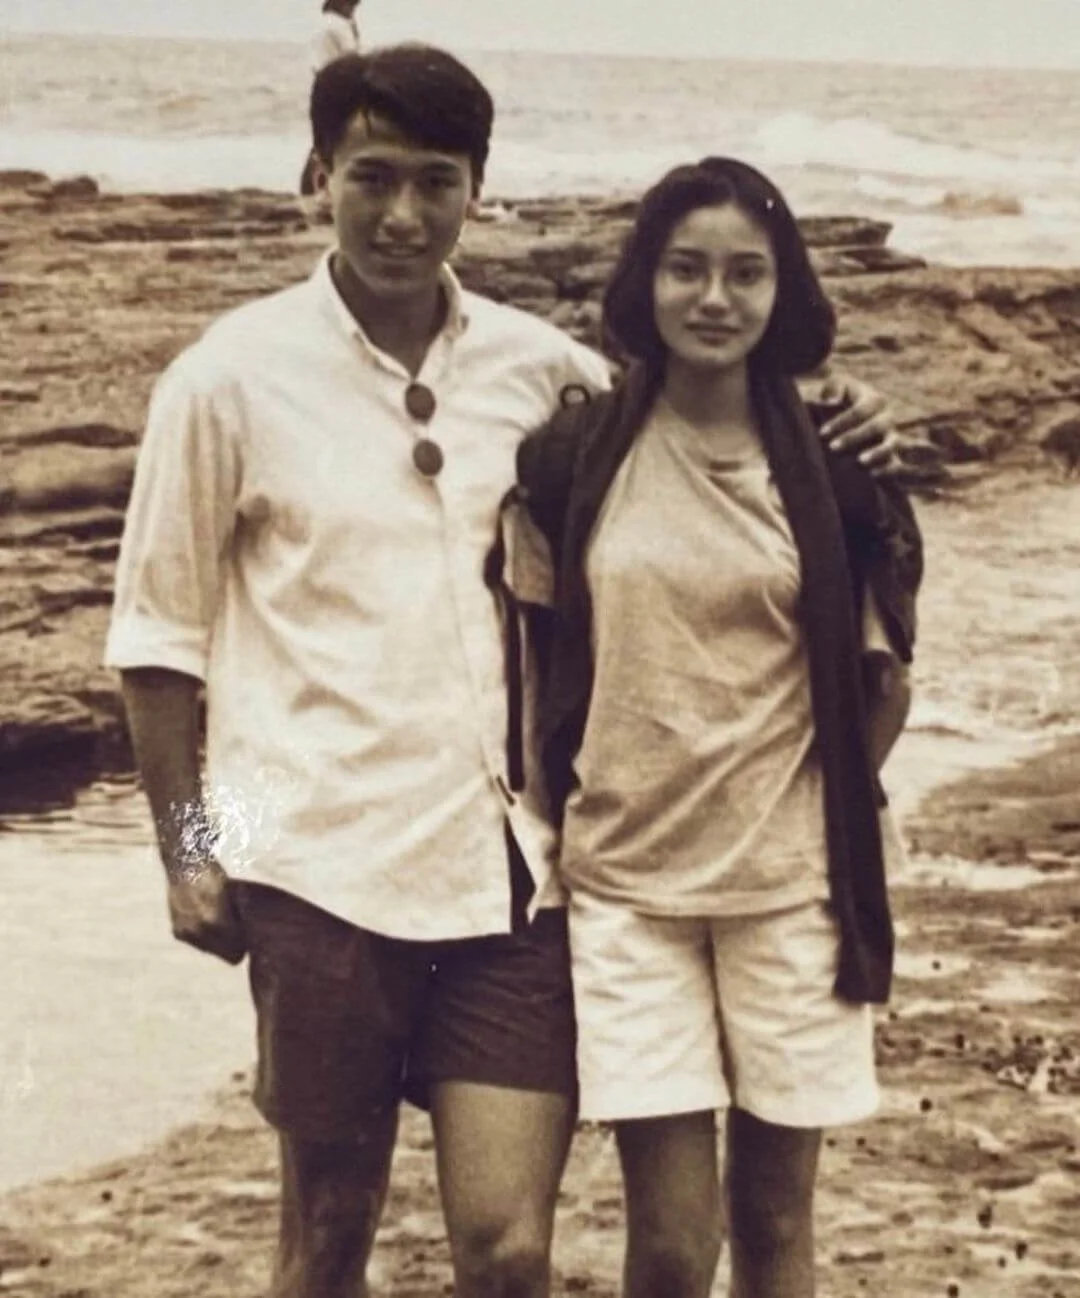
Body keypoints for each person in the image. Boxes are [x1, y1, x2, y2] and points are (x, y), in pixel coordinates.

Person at [105, 44, 912, 1298]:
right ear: (317, 177)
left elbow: (704, 421)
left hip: (508, 879)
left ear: (477, 189)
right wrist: (191, 852)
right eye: (372, 176)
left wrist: (835, 412)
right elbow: (160, 642)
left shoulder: (546, 373)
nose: (403, 213)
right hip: (314, 867)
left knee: (507, 1247)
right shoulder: (225, 378)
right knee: (327, 1229)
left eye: (437, 180)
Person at [510, 157, 923, 1298]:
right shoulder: (576, 455)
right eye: (685, 268)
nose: (714, 297)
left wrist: (807, 802)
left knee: (777, 1220)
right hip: (626, 892)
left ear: (783, 292)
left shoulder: (836, 468)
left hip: (791, 894)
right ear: (644, 279)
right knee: (673, 1240)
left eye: (747, 273)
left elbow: (885, 680)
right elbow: (533, 655)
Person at [300, 0, 362, 195]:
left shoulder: (324, 24)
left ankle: (310, 189)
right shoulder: (338, 26)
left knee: (323, 141)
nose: (353, 11)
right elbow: (351, 61)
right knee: (334, 140)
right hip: (337, 86)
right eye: (352, 6)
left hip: (323, 85)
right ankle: (315, 189)